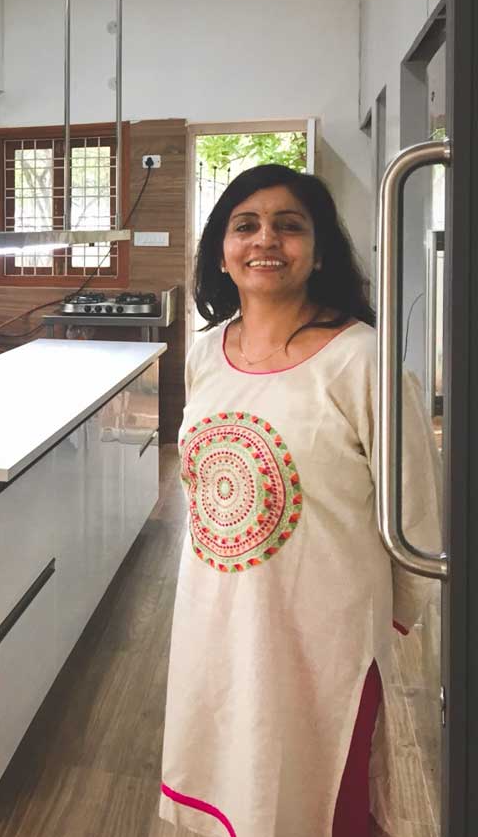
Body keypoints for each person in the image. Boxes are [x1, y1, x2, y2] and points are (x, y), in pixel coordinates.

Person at [158, 164, 441, 837]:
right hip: (215, 616)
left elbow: (417, 515)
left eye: (290, 226)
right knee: (232, 777)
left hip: (323, 636)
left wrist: (379, 629)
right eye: (245, 225)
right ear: (220, 252)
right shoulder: (203, 351)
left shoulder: (361, 360)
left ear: (318, 252)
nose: (266, 240)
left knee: (317, 800)